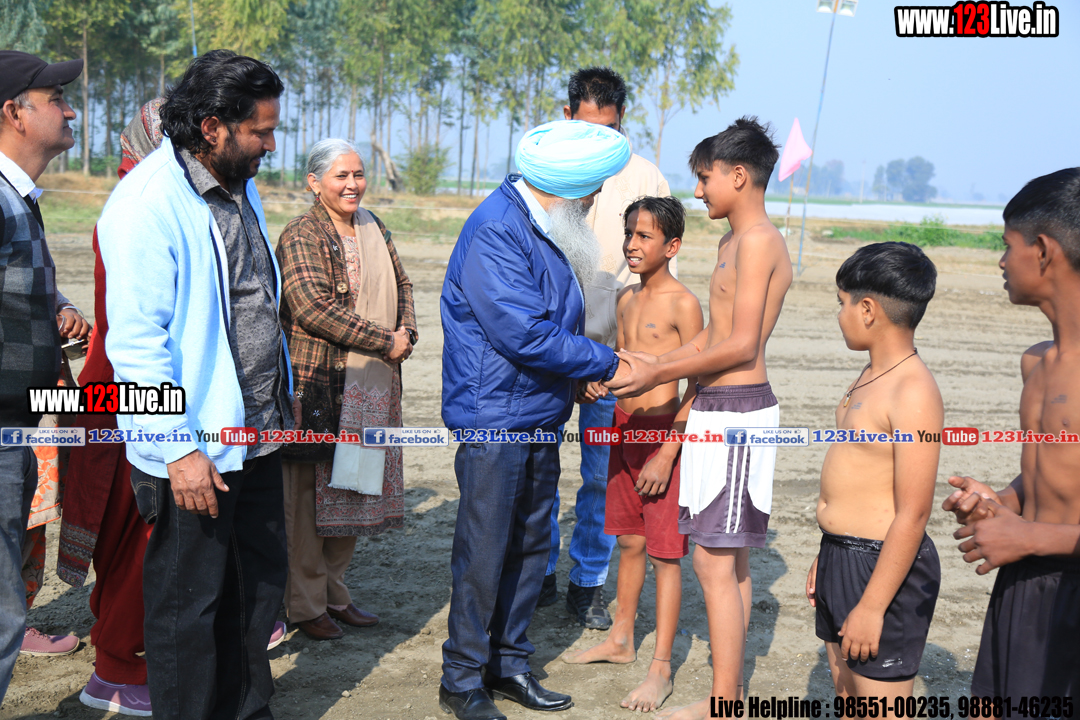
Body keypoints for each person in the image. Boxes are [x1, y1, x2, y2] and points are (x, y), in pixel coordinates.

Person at [97, 50, 295, 720]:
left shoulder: (239, 183)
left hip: (257, 435)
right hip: (195, 450)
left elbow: (254, 299)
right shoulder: (146, 205)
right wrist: (178, 449)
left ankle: (246, 710)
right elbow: (136, 346)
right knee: (190, 609)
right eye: (260, 131)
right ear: (212, 127)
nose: (271, 145)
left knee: (256, 592)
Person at [439, 119, 632, 720]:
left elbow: (550, 324)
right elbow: (523, 332)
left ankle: (509, 664)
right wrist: (607, 361)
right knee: (485, 551)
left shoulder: (539, 224)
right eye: (592, 187)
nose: (595, 198)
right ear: (568, 187)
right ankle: (462, 679)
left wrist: (576, 373)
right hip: (496, 414)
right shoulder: (498, 228)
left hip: (537, 412)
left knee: (528, 545)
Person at [607, 117, 792, 719]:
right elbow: (713, 334)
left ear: (738, 176)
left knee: (715, 562)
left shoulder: (759, 240)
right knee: (726, 562)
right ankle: (726, 694)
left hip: (737, 411)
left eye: (705, 178)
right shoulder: (732, 242)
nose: (699, 190)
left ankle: (724, 701)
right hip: (716, 407)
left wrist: (658, 371)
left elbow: (741, 345)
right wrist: (651, 364)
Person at [541, 67, 672, 629]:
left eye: (610, 131)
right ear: (567, 116)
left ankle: (587, 582)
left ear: (623, 124)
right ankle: (539, 570)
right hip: (547, 349)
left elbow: (656, 280)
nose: (599, 141)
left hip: (611, 357)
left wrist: (613, 360)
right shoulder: (542, 168)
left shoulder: (644, 177)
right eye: (588, 129)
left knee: (601, 475)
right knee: (538, 466)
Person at [943, 168, 1080, 699]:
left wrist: (1028, 537)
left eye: (1008, 246)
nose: (1002, 262)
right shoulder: (1036, 362)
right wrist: (1001, 502)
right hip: (1022, 583)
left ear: (1042, 251)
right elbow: (1048, 474)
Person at [562, 196, 702, 713]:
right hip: (624, 430)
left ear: (673, 246)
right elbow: (621, 365)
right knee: (628, 541)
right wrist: (595, 382)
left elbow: (698, 386)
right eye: (628, 234)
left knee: (666, 555)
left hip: (665, 436)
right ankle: (621, 638)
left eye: (644, 236)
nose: (631, 244)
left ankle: (660, 667)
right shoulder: (624, 299)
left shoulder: (684, 304)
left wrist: (668, 452)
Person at [276, 138, 416, 640]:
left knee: (354, 490)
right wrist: (385, 340)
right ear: (314, 183)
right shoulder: (301, 233)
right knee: (307, 499)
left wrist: (408, 333)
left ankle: (336, 593)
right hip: (318, 385)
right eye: (342, 176)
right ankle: (304, 604)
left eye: (358, 174)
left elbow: (403, 286)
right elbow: (312, 308)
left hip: (372, 385)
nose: (353, 184)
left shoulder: (374, 227)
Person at [805, 242, 942, 706]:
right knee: (849, 700)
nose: (838, 314)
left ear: (867, 310)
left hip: (881, 564)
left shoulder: (912, 390)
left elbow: (914, 512)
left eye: (841, 303)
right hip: (842, 554)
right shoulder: (870, 373)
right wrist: (828, 553)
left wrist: (872, 604)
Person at [0, 49, 89, 705]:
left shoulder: (18, 200)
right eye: (55, 98)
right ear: (14, 113)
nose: (70, 110)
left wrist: (50, 313)